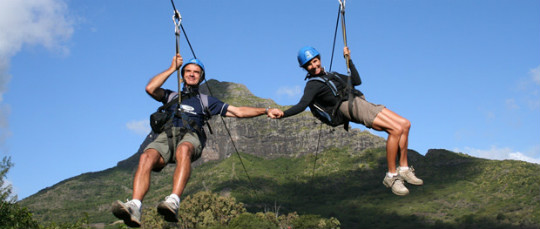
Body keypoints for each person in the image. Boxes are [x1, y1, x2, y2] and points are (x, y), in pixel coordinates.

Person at [112, 54, 282, 227]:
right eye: (188, 71)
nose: (192, 74)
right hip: (167, 136)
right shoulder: (171, 96)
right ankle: (135, 206)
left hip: (191, 135)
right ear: (183, 75)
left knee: (184, 149)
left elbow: (238, 111)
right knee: (146, 157)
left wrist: (265, 110)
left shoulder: (206, 101)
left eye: (196, 72)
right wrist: (172, 68)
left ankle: (174, 200)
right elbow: (150, 88)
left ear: (201, 77)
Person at [269, 46, 423, 196]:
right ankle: (391, 176)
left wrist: (348, 60)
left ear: (319, 59)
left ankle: (403, 169)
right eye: (309, 64)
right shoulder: (313, 85)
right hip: (349, 106)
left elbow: (356, 80)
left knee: (405, 124)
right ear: (305, 68)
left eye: (315, 61)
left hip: (359, 101)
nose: (314, 66)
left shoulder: (332, 75)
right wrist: (283, 113)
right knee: (395, 130)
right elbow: (302, 105)